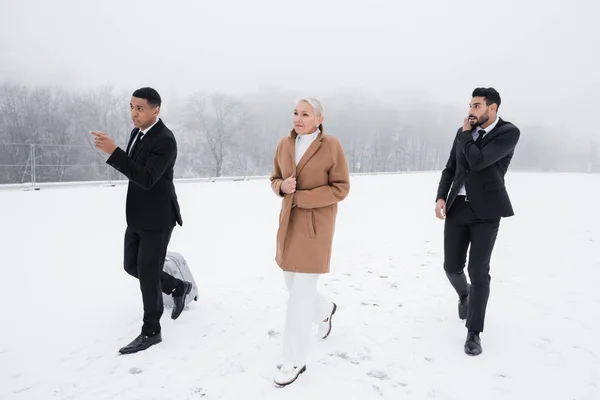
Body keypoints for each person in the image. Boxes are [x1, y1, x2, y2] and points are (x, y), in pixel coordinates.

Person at [91, 87, 192, 355]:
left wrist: (114, 152)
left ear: (155, 110)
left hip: (158, 218)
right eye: (131, 107)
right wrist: (116, 152)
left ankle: (151, 331)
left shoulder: (165, 140)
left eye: (140, 108)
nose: (133, 113)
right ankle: (177, 286)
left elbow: (146, 177)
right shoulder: (137, 132)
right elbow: (134, 171)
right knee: (131, 266)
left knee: (147, 274)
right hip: (136, 215)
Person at [269, 97, 350, 387]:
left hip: (316, 228)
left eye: (305, 114)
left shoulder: (331, 146)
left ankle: (294, 359)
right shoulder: (284, 144)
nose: (298, 118)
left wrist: (302, 197)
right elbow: (274, 178)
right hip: (288, 226)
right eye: (295, 113)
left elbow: (341, 188)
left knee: (299, 298)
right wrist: (281, 187)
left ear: (319, 119)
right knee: (291, 285)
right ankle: (326, 311)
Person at [435, 87, 520, 356]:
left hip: (487, 212)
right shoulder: (463, 133)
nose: (470, 111)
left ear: (492, 108)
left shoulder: (508, 133)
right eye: (470, 105)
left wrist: (465, 136)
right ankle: (464, 295)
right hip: (457, 208)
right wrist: (440, 197)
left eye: (476, 106)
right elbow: (451, 168)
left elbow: (479, 160)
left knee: (479, 271)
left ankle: (474, 332)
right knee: (451, 267)